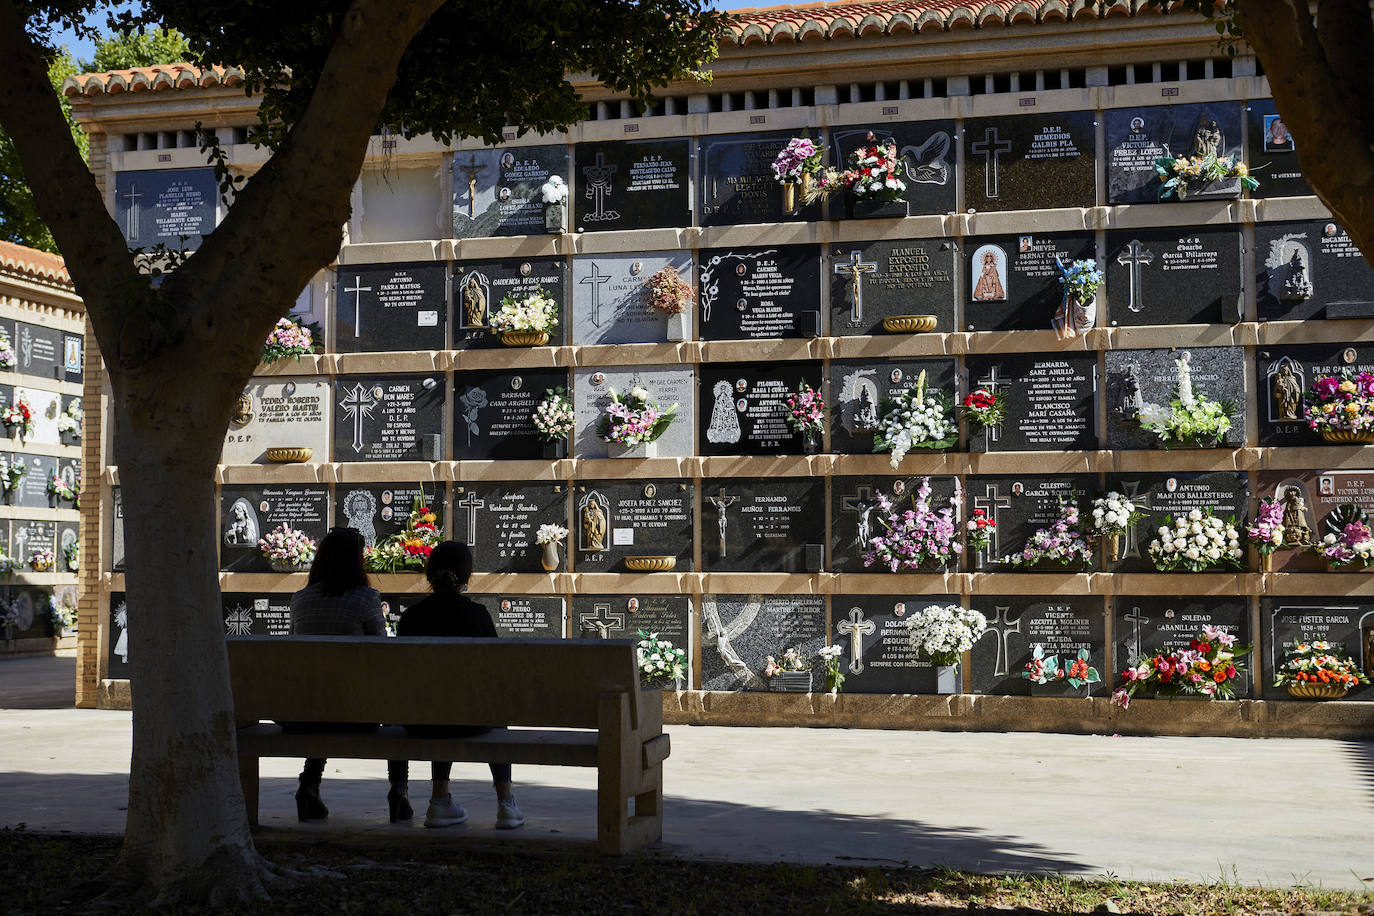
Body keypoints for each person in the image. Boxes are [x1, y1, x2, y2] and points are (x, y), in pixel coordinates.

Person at [397, 541, 524, 830]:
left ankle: (439, 800)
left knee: (439, 704)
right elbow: (496, 671)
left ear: (429, 573)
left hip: (420, 721)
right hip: (471, 719)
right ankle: (506, 804)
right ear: (467, 576)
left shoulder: (411, 616)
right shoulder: (477, 615)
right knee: (490, 711)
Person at [288, 527, 412, 824]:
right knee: (393, 699)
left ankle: (309, 784)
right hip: (357, 714)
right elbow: (381, 653)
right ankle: (399, 788)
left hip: (304, 713)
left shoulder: (300, 600)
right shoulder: (366, 598)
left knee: (323, 695)